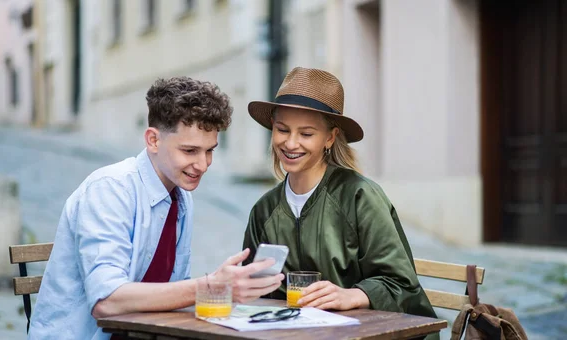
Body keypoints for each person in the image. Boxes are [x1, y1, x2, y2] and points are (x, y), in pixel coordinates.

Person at [29, 77, 284, 339]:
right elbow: (106, 301)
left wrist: (224, 293)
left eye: (209, 151)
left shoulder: (181, 196)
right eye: (189, 151)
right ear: (153, 140)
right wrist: (210, 287)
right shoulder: (109, 189)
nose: (203, 164)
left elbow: (172, 295)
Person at [242, 67, 439, 338]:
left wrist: (354, 295)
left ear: (330, 137)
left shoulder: (360, 196)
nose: (290, 143)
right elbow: (256, 295)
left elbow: (402, 284)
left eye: (306, 133)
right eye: (282, 129)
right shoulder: (264, 210)